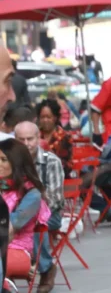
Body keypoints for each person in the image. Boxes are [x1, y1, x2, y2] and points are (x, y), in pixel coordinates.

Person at [14, 121, 64, 293]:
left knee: (32, 225)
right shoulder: (8, 162)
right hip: (16, 213)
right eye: (21, 140)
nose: (26, 144)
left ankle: (46, 268)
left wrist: (31, 206)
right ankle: (11, 269)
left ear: (38, 138)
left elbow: (55, 200)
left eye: (30, 139)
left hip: (50, 214)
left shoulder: (51, 162)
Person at [0, 139, 50, 280]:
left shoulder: (31, 194)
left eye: (4, 160)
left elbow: (9, 228)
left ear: (17, 163)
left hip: (16, 249)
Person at [36, 100, 74, 177]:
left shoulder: (64, 137)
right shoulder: (34, 135)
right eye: (42, 117)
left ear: (55, 118)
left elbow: (67, 165)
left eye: (48, 117)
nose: (45, 120)